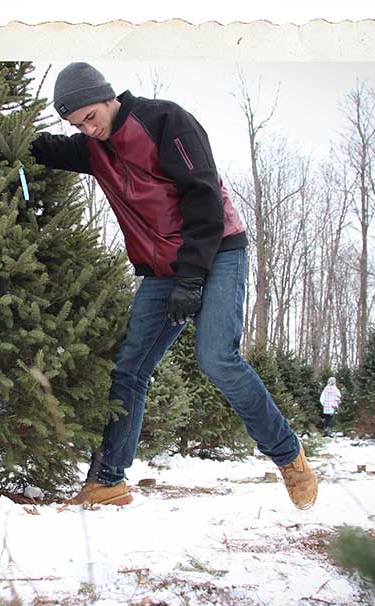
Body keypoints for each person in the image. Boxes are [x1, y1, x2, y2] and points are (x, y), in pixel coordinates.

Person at [30, 62, 317, 510]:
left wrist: (191, 276)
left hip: (217, 250)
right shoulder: (94, 147)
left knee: (217, 357)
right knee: (130, 368)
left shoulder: (165, 122)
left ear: (108, 97)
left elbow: (204, 197)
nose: (89, 130)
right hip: (163, 270)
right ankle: (108, 481)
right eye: (77, 126)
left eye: (91, 117)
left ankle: (288, 455)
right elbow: (47, 150)